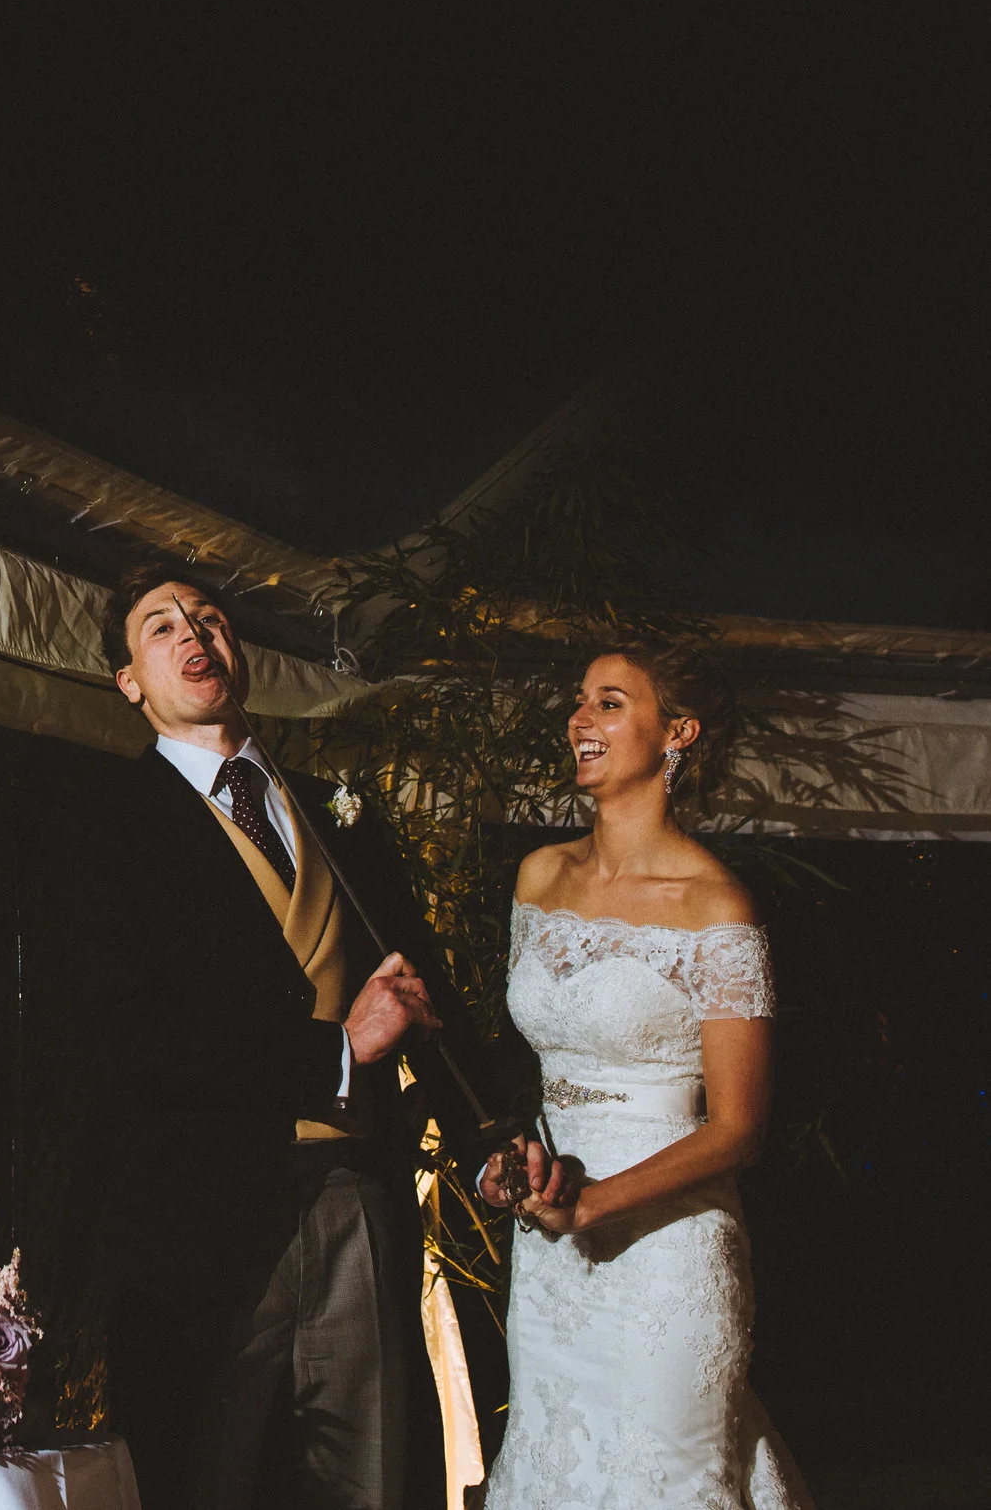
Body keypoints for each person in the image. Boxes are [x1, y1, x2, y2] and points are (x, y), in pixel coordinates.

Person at [73, 564, 504, 1510]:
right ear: (130, 681)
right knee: (207, 1478)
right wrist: (337, 1052)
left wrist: (487, 1144)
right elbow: (130, 1037)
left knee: (372, 1477)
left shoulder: (334, 810)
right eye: (161, 628)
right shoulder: (105, 823)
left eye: (211, 619)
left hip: (357, 1193)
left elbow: (421, 990)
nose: (194, 635)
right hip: (205, 1216)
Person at [477, 643, 809, 1509]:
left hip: (668, 1252)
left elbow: (740, 1127)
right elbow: (545, 1068)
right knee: (556, 1464)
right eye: (580, 700)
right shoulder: (538, 876)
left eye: (611, 703)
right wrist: (518, 1166)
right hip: (549, 1251)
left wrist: (593, 1201)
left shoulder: (715, 905)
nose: (579, 720)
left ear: (678, 734)